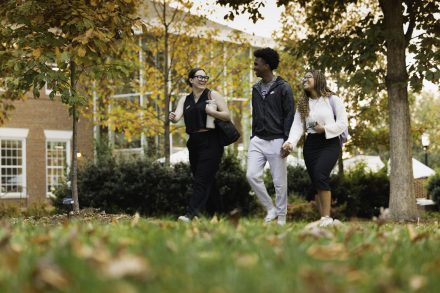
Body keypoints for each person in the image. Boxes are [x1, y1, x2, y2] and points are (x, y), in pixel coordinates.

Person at [282, 70, 348, 227]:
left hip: (330, 142)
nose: (304, 79)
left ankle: (326, 218)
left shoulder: (332, 100)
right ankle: (324, 220)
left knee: (320, 174)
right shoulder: (303, 104)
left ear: (318, 79)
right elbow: (297, 126)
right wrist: (290, 143)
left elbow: (342, 123)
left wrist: (324, 129)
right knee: (317, 182)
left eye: (308, 77)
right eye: (303, 77)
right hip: (311, 145)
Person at [169, 68, 231, 222]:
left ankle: (190, 214)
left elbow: (227, 115)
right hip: (194, 142)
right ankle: (219, 214)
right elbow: (177, 117)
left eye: (205, 77)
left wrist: (213, 113)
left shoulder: (212, 95)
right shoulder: (185, 99)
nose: (203, 79)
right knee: (205, 178)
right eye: (199, 77)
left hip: (212, 140)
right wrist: (172, 117)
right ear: (191, 80)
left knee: (201, 180)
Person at [246, 48, 295, 226]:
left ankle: (281, 218)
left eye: (256, 64)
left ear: (267, 66)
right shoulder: (255, 88)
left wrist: (287, 141)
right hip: (258, 139)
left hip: (277, 140)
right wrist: (253, 136)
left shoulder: (283, 87)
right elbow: (256, 114)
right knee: (251, 175)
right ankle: (270, 208)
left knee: (279, 183)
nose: (254, 68)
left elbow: (290, 115)